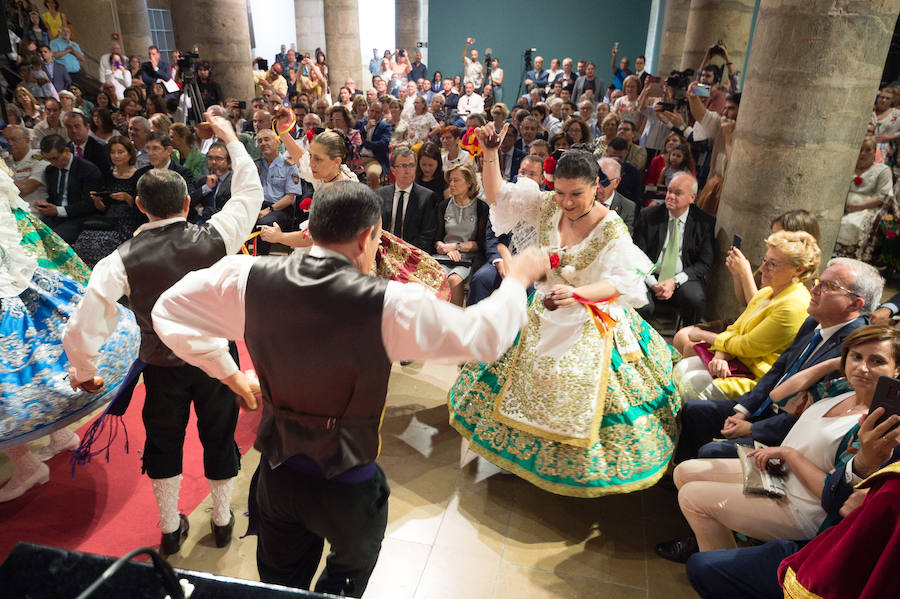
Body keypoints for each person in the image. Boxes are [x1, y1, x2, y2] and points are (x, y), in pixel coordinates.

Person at [151, 178, 547, 595]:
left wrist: (227, 371)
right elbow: (482, 337)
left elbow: (167, 311)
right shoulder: (391, 303)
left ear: (310, 231)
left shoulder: (246, 276)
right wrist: (517, 282)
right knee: (342, 582)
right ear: (367, 237)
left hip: (277, 477)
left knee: (281, 586)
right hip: (348, 485)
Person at [61, 113, 260, 555]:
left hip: (161, 365)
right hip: (218, 363)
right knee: (220, 433)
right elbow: (249, 191)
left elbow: (86, 320)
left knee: (165, 439)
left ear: (139, 207)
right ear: (188, 204)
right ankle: (224, 519)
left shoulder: (120, 259)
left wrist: (84, 368)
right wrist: (230, 137)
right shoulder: (215, 235)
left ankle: (170, 528)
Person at [449, 125, 681, 496]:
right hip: (542, 308)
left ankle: (570, 463)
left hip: (592, 314)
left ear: (597, 188)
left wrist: (580, 295)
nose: (567, 202)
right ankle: (518, 454)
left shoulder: (611, 227)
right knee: (519, 380)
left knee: (574, 382)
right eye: (559, 192)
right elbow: (498, 196)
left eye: (576, 194)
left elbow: (623, 283)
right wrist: (489, 154)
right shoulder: (544, 205)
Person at [659, 325, 900, 561]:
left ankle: (716, 565)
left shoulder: (875, 424)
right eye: (856, 356)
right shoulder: (842, 389)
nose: (863, 368)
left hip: (803, 505)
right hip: (779, 474)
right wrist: (832, 364)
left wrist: (789, 454)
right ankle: (731, 550)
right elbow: (779, 395)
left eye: (877, 361)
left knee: (692, 497)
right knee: (683, 471)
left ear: (897, 370)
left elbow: (834, 495)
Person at [0, 124, 139, 505]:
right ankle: (55, 440)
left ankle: (29, 462)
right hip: (18, 272)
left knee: (12, 381)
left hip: (11, 277)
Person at [674, 257, 877, 464]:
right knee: (694, 411)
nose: (815, 290)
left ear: (856, 303)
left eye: (829, 286)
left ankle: (699, 479)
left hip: (789, 435)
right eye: (818, 282)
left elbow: (809, 414)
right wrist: (743, 410)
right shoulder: (813, 322)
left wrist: (753, 428)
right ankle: (682, 475)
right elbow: (779, 369)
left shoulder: (855, 349)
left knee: (711, 451)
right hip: (766, 409)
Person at [673, 230, 820, 402]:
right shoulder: (768, 290)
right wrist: (721, 355)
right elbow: (735, 329)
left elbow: (747, 345)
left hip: (757, 378)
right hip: (737, 361)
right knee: (682, 369)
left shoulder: (793, 306)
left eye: (772, 264)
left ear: (798, 269)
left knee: (691, 384)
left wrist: (702, 335)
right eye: (765, 260)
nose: (763, 268)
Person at [634, 173, 715, 326]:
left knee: (695, 298)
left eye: (677, 193)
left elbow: (705, 263)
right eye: (669, 191)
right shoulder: (648, 215)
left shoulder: (704, 222)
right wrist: (653, 284)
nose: (670, 196)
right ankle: (640, 342)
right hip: (649, 275)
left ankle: (685, 340)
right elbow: (637, 255)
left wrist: (675, 281)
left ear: (692, 197)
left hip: (682, 278)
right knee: (642, 304)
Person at [71, 135, 147, 267]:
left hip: (129, 219)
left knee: (107, 241)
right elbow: (102, 208)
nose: (116, 156)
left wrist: (127, 198)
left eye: (120, 152)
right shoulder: (106, 175)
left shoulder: (139, 176)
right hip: (108, 219)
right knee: (84, 239)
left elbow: (142, 208)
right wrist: (97, 201)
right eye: (113, 152)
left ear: (130, 154)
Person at [432, 164, 488, 306]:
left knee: (454, 280)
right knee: (436, 277)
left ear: (469, 183)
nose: (451, 184)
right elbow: (437, 239)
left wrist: (456, 247)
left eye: (456, 180)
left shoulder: (481, 208)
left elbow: (481, 243)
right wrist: (443, 247)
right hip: (443, 256)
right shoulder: (443, 206)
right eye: (450, 180)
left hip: (468, 258)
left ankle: (455, 323)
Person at [834, 136, 894, 262]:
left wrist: (857, 207)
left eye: (868, 150)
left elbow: (883, 196)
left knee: (848, 224)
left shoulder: (882, 170)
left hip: (864, 208)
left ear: (874, 151)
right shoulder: (847, 166)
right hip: (839, 205)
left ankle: (844, 258)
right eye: (860, 149)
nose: (863, 153)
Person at [35, 133, 102, 244]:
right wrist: (45, 205)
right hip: (56, 216)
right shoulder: (51, 170)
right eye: (48, 160)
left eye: (55, 158)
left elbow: (89, 204)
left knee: (53, 240)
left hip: (80, 217)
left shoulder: (88, 170)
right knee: (33, 234)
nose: (52, 163)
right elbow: (53, 197)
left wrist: (58, 210)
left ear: (66, 150)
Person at [376, 147, 437, 252]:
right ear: (393, 170)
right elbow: (375, 230)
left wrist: (403, 253)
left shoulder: (427, 197)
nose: (408, 171)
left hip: (412, 254)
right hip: (383, 251)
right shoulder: (379, 195)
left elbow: (426, 236)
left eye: (411, 165)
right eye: (403, 166)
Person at [596, 157, 636, 235]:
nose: (597, 186)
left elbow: (625, 240)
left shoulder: (627, 207)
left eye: (603, 182)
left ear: (616, 182)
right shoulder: (583, 198)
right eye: (594, 179)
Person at [65, 111, 109, 175]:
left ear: (87, 127)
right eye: (69, 127)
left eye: (77, 126)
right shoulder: (66, 148)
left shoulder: (101, 148)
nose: (73, 130)